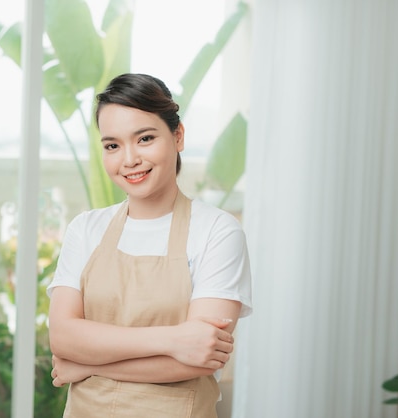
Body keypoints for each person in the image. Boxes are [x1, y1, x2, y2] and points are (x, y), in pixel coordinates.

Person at [47, 73, 252, 417]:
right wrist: (173, 340)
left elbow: (200, 358)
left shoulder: (217, 231)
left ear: (178, 135)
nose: (129, 159)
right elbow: (63, 338)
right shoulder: (85, 229)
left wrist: (86, 365)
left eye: (144, 138)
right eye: (112, 145)